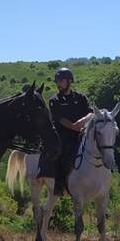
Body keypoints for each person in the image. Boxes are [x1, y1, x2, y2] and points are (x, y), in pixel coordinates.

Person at [39, 66, 92, 194]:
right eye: (57, 82)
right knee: (61, 152)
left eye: (61, 81)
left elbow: (91, 113)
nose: (58, 84)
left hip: (81, 131)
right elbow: (60, 119)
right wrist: (74, 126)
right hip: (62, 134)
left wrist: (81, 122)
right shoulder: (54, 100)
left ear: (69, 81)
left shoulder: (80, 98)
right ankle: (59, 183)